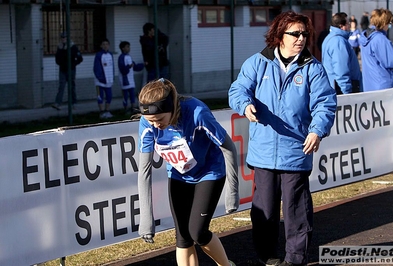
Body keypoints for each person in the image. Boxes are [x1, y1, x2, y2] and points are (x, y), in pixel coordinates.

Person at [228, 11, 337, 266]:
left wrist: (316, 130)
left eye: (304, 34)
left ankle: (295, 258)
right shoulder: (258, 62)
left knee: (296, 211)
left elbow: (325, 104)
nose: (301, 38)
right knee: (263, 212)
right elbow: (238, 89)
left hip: (296, 152)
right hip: (263, 152)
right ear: (280, 35)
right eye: (295, 33)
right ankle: (268, 256)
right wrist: (244, 105)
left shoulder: (313, 68)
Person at [137, 78, 239, 266]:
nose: (154, 125)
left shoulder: (197, 113)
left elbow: (228, 147)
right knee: (182, 235)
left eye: (159, 120)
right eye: (150, 120)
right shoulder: (147, 124)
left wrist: (233, 190)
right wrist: (145, 217)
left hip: (209, 171)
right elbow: (144, 171)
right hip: (179, 174)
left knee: (198, 232)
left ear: (172, 109)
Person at [359, 8, 393, 92]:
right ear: (384, 23)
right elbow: (391, 62)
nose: (389, 25)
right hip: (383, 84)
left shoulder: (366, 37)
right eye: (389, 22)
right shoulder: (380, 39)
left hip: (369, 83)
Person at [322, 12, 363, 94]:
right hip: (341, 89)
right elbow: (341, 70)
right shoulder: (339, 42)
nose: (349, 26)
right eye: (348, 23)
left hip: (333, 86)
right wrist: (346, 92)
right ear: (341, 26)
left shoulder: (330, 38)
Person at [52, 32, 83, 110]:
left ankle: (73, 103)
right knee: (61, 87)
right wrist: (60, 63)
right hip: (62, 70)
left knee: (71, 86)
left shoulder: (73, 47)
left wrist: (73, 64)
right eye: (62, 38)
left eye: (65, 37)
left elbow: (80, 58)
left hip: (71, 70)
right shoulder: (59, 47)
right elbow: (57, 58)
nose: (63, 39)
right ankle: (58, 103)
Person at [118, 41, 144, 115]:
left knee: (132, 94)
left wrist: (142, 65)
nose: (129, 48)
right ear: (123, 48)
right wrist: (128, 67)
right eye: (127, 47)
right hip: (125, 80)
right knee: (125, 95)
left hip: (131, 80)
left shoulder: (129, 57)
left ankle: (133, 108)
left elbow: (134, 66)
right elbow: (122, 69)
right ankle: (125, 108)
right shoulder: (121, 57)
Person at [93, 38, 114, 119]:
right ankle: (101, 112)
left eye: (107, 44)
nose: (105, 46)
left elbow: (112, 67)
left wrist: (111, 77)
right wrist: (101, 78)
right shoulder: (98, 55)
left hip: (108, 80)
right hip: (100, 81)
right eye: (103, 44)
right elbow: (96, 68)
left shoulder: (110, 54)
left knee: (109, 96)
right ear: (101, 46)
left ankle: (107, 110)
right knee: (100, 96)